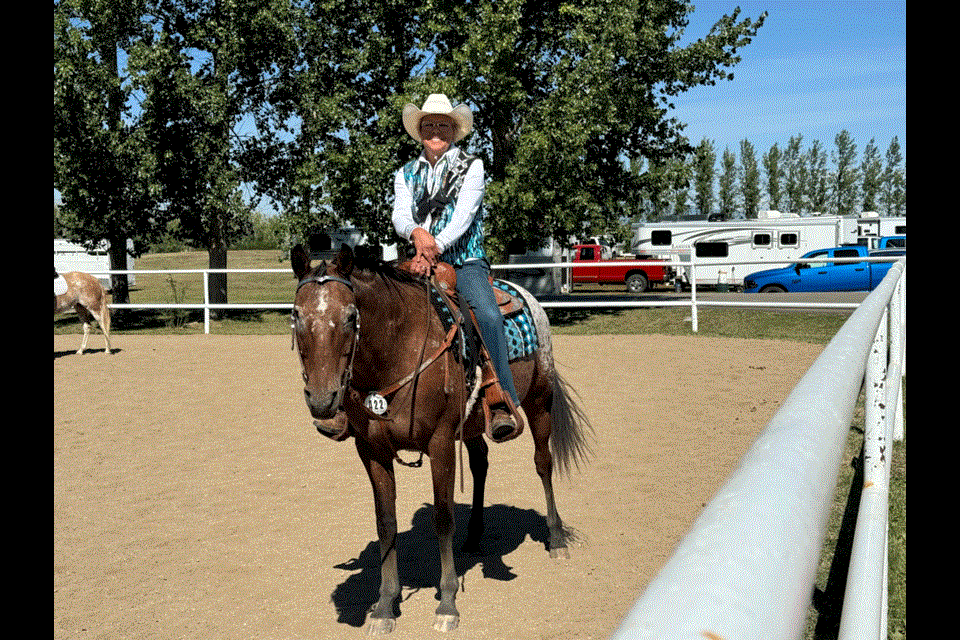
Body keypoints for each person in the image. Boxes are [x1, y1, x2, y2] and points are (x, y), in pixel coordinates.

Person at [392, 94, 523, 443]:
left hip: (465, 260)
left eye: (443, 125)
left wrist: (435, 246)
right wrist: (416, 233)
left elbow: (465, 215)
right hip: (419, 259)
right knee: (377, 303)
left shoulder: (472, 166)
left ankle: (502, 399)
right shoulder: (405, 174)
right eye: (430, 125)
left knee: (489, 316)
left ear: (454, 131)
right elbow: (400, 215)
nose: (436, 131)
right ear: (420, 132)